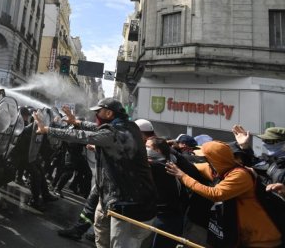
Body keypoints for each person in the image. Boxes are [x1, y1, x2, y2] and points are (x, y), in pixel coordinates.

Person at [34, 97, 157, 248]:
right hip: (113, 195)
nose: (96, 115)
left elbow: (82, 136)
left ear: (108, 113)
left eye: (98, 112)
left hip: (126, 203)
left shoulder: (114, 133)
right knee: (100, 228)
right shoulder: (128, 126)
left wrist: (47, 130)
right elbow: (96, 129)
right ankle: (80, 228)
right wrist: (75, 122)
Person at [166, 141, 282, 247]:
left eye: (207, 159)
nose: (205, 161)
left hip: (264, 239)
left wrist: (183, 177)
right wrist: (169, 152)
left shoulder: (240, 175)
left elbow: (216, 193)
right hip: (245, 238)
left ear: (215, 160)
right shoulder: (221, 170)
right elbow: (191, 165)